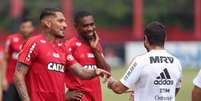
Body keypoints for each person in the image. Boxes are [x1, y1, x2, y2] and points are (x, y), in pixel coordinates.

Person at [14, 8, 110, 101]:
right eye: (60, 21)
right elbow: (18, 75)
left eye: (64, 21)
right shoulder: (34, 43)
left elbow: (81, 72)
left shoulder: (62, 48)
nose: (65, 25)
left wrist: (95, 72)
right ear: (47, 23)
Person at [107, 21, 182, 101]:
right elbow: (174, 90)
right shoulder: (176, 62)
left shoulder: (140, 61)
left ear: (146, 39)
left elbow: (118, 88)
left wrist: (111, 82)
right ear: (165, 38)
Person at [64, 11, 111, 101]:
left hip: (96, 97)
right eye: (85, 26)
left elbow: (106, 72)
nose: (90, 28)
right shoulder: (70, 45)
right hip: (79, 98)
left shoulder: (95, 45)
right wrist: (64, 95)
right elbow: (56, 73)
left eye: (92, 24)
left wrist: (95, 49)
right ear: (76, 27)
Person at [3, 18, 34, 101]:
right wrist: (3, 79)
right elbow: (4, 60)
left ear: (32, 28)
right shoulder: (11, 39)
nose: (26, 29)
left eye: (28, 27)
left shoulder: (35, 42)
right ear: (20, 28)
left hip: (26, 82)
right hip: (10, 81)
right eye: (23, 27)